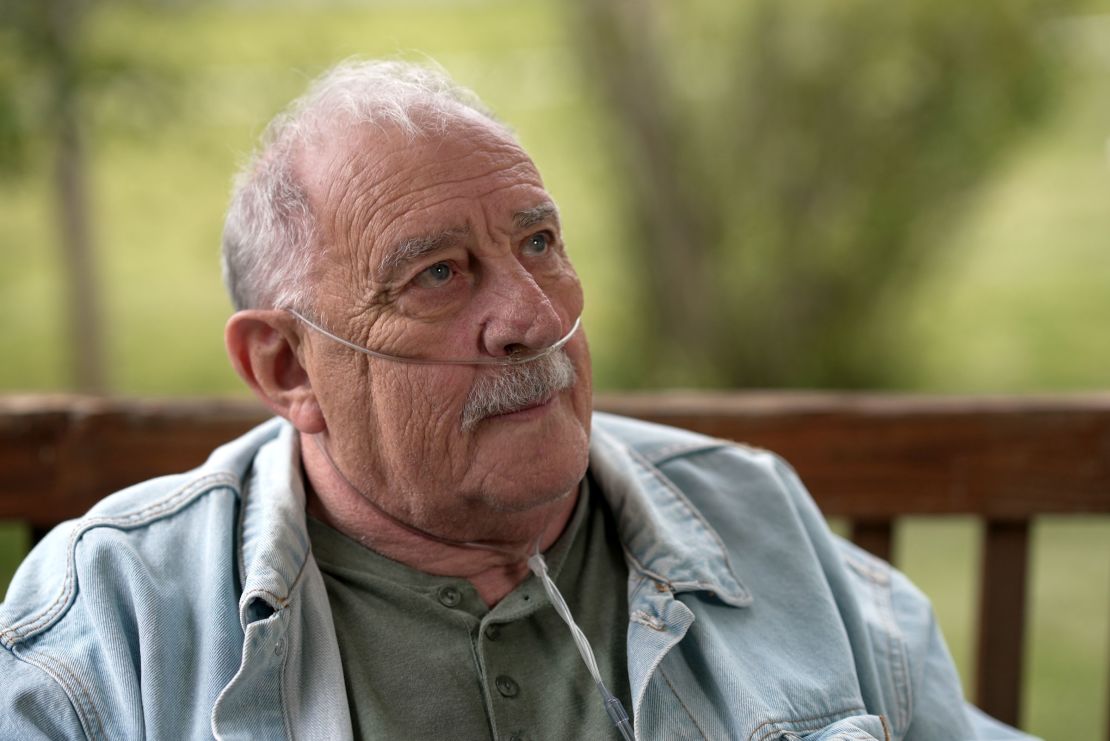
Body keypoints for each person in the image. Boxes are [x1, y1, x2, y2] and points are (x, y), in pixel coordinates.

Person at [0, 59, 1036, 741]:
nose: (532, 316)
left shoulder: (753, 517)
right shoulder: (121, 621)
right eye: (440, 274)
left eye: (539, 242)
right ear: (288, 369)